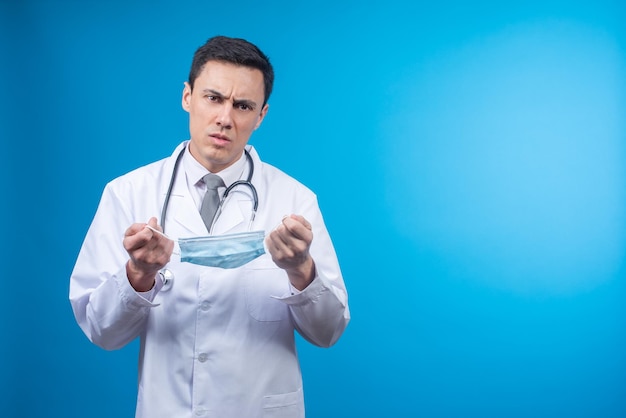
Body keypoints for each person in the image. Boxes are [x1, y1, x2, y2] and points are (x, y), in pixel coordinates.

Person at [69, 35, 349, 418]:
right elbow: (103, 333)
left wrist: (301, 269)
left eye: (243, 105)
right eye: (213, 98)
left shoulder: (295, 201)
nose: (225, 118)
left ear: (261, 115)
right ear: (188, 97)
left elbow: (328, 332)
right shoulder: (128, 193)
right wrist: (138, 275)